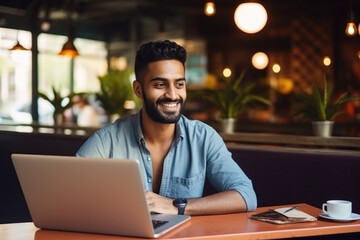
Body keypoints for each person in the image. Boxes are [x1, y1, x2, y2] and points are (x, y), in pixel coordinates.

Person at [76, 40, 257, 215]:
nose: (172, 95)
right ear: (138, 90)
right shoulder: (107, 140)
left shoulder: (204, 137)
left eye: (179, 84)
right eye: (160, 85)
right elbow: (69, 192)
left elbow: (246, 195)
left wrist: (177, 206)